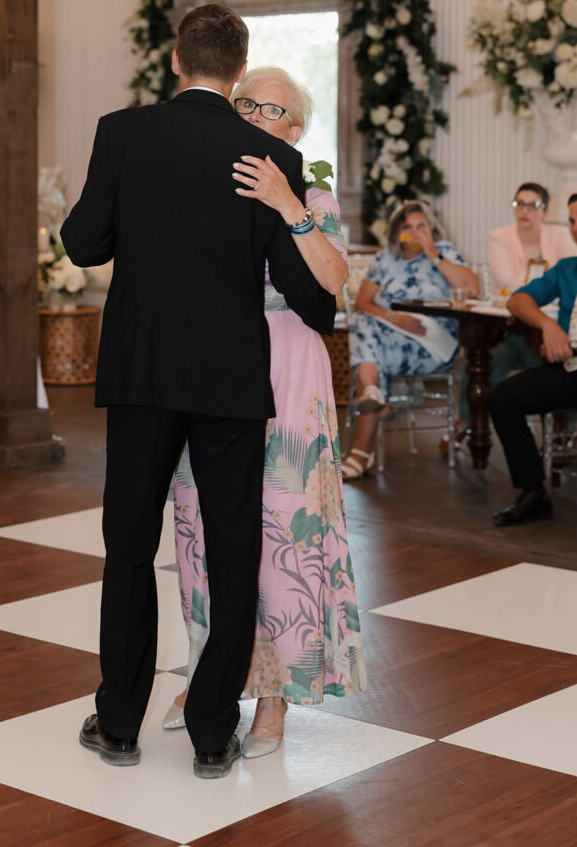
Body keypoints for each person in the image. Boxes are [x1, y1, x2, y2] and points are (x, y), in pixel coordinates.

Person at [60, 5, 335, 779]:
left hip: (143, 373)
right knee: (236, 550)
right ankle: (216, 733)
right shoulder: (266, 153)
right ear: (239, 72)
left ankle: (118, 722)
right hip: (231, 381)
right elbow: (298, 286)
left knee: (130, 549)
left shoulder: (123, 132)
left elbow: (83, 244)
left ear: (176, 59)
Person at [167, 67, 366, 758]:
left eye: (271, 107)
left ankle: (276, 697)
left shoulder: (312, 195)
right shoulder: (206, 186)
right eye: (245, 102)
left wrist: (288, 204)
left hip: (288, 372)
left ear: (294, 128)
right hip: (213, 369)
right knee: (199, 529)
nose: (254, 114)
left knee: (285, 532)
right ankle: (207, 674)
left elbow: (334, 280)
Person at [343, 200, 479, 479]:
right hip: (389, 338)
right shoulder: (384, 260)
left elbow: (472, 289)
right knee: (363, 324)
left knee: (368, 354)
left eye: (422, 226)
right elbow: (362, 303)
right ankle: (372, 396)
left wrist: (433, 254)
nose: (415, 232)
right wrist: (395, 319)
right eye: (408, 227)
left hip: (435, 343)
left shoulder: (445, 253)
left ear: (431, 229)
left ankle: (362, 444)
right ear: (397, 232)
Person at [489, 189, 577, 551]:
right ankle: (534, 492)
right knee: (503, 397)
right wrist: (549, 327)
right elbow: (517, 300)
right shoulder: (568, 268)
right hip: (569, 368)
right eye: (573, 220)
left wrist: (576, 344)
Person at [445, 182, 577, 454]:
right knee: (486, 360)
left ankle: (567, 432)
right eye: (519, 204)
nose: (525, 211)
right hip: (511, 328)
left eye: (533, 205)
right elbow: (508, 281)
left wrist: (542, 285)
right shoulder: (500, 236)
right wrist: (546, 283)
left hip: (551, 330)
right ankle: (466, 423)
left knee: (567, 361)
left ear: (545, 210)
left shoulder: (562, 235)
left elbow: (571, 280)